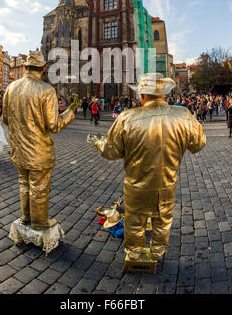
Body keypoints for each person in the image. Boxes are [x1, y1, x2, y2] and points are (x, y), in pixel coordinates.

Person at [88, 73, 206, 261]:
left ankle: (134, 253)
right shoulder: (183, 115)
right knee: (163, 220)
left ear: (142, 95)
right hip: (167, 183)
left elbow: (111, 152)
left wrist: (98, 142)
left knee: (134, 222)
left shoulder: (127, 117)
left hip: (136, 186)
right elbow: (198, 144)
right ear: (164, 94)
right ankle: (158, 251)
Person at [3, 50, 79, 231]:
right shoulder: (46, 90)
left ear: (25, 67)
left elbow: (6, 118)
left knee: (24, 183)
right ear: (44, 68)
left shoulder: (11, 88)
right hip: (38, 152)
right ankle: (39, 223)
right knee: (39, 187)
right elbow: (54, 125)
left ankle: (26, 217)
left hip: (18, 151)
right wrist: (70, 111)